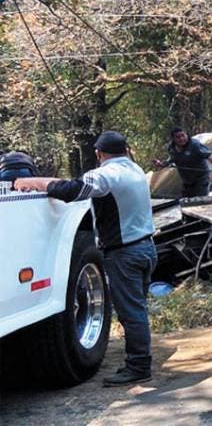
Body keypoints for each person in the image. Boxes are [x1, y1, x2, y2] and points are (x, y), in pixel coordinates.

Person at [14, 131, 156, 386]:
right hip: (146, 249)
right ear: (125, 150)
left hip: (124, 254)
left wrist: (36, 184)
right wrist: (44, 180)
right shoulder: (134, 170)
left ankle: (138, 366)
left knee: (131, 312)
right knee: (138, 309)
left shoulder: (106, 174)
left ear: (99, 154)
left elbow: (74, 190)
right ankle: (141, 360)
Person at [154, 127, 212, 198]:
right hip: (187, 181)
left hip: (201, 179)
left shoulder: (194, 145)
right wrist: (161, 164)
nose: (181, 139)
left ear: (187, 135)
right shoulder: (172, 148)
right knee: (186, 201)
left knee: (200, 200)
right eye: (178, 137)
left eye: (183, 135)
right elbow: (172, 160)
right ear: (173, 139)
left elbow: (209, 155)